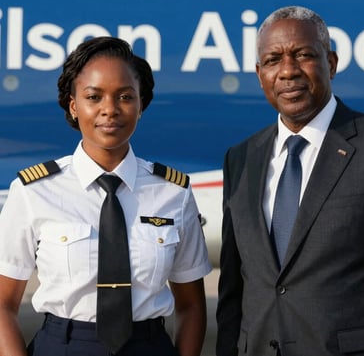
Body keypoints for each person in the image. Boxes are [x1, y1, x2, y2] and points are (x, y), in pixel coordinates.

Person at [0, 36, 212, 356]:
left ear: (141, 105)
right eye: (93, 97)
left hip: (149, 346)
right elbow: (3, 304)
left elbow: (192, 307)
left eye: (125, 97)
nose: (109, 110)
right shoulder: (33, 191)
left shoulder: (173, 193)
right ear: (74, 106)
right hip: (64, 345)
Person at [216, 5, 364, 356]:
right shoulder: (241, 158)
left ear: (330, 63)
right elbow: (233, 289)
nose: (288, 71)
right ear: (260, 75)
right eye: (273, 60)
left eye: (303, 55)